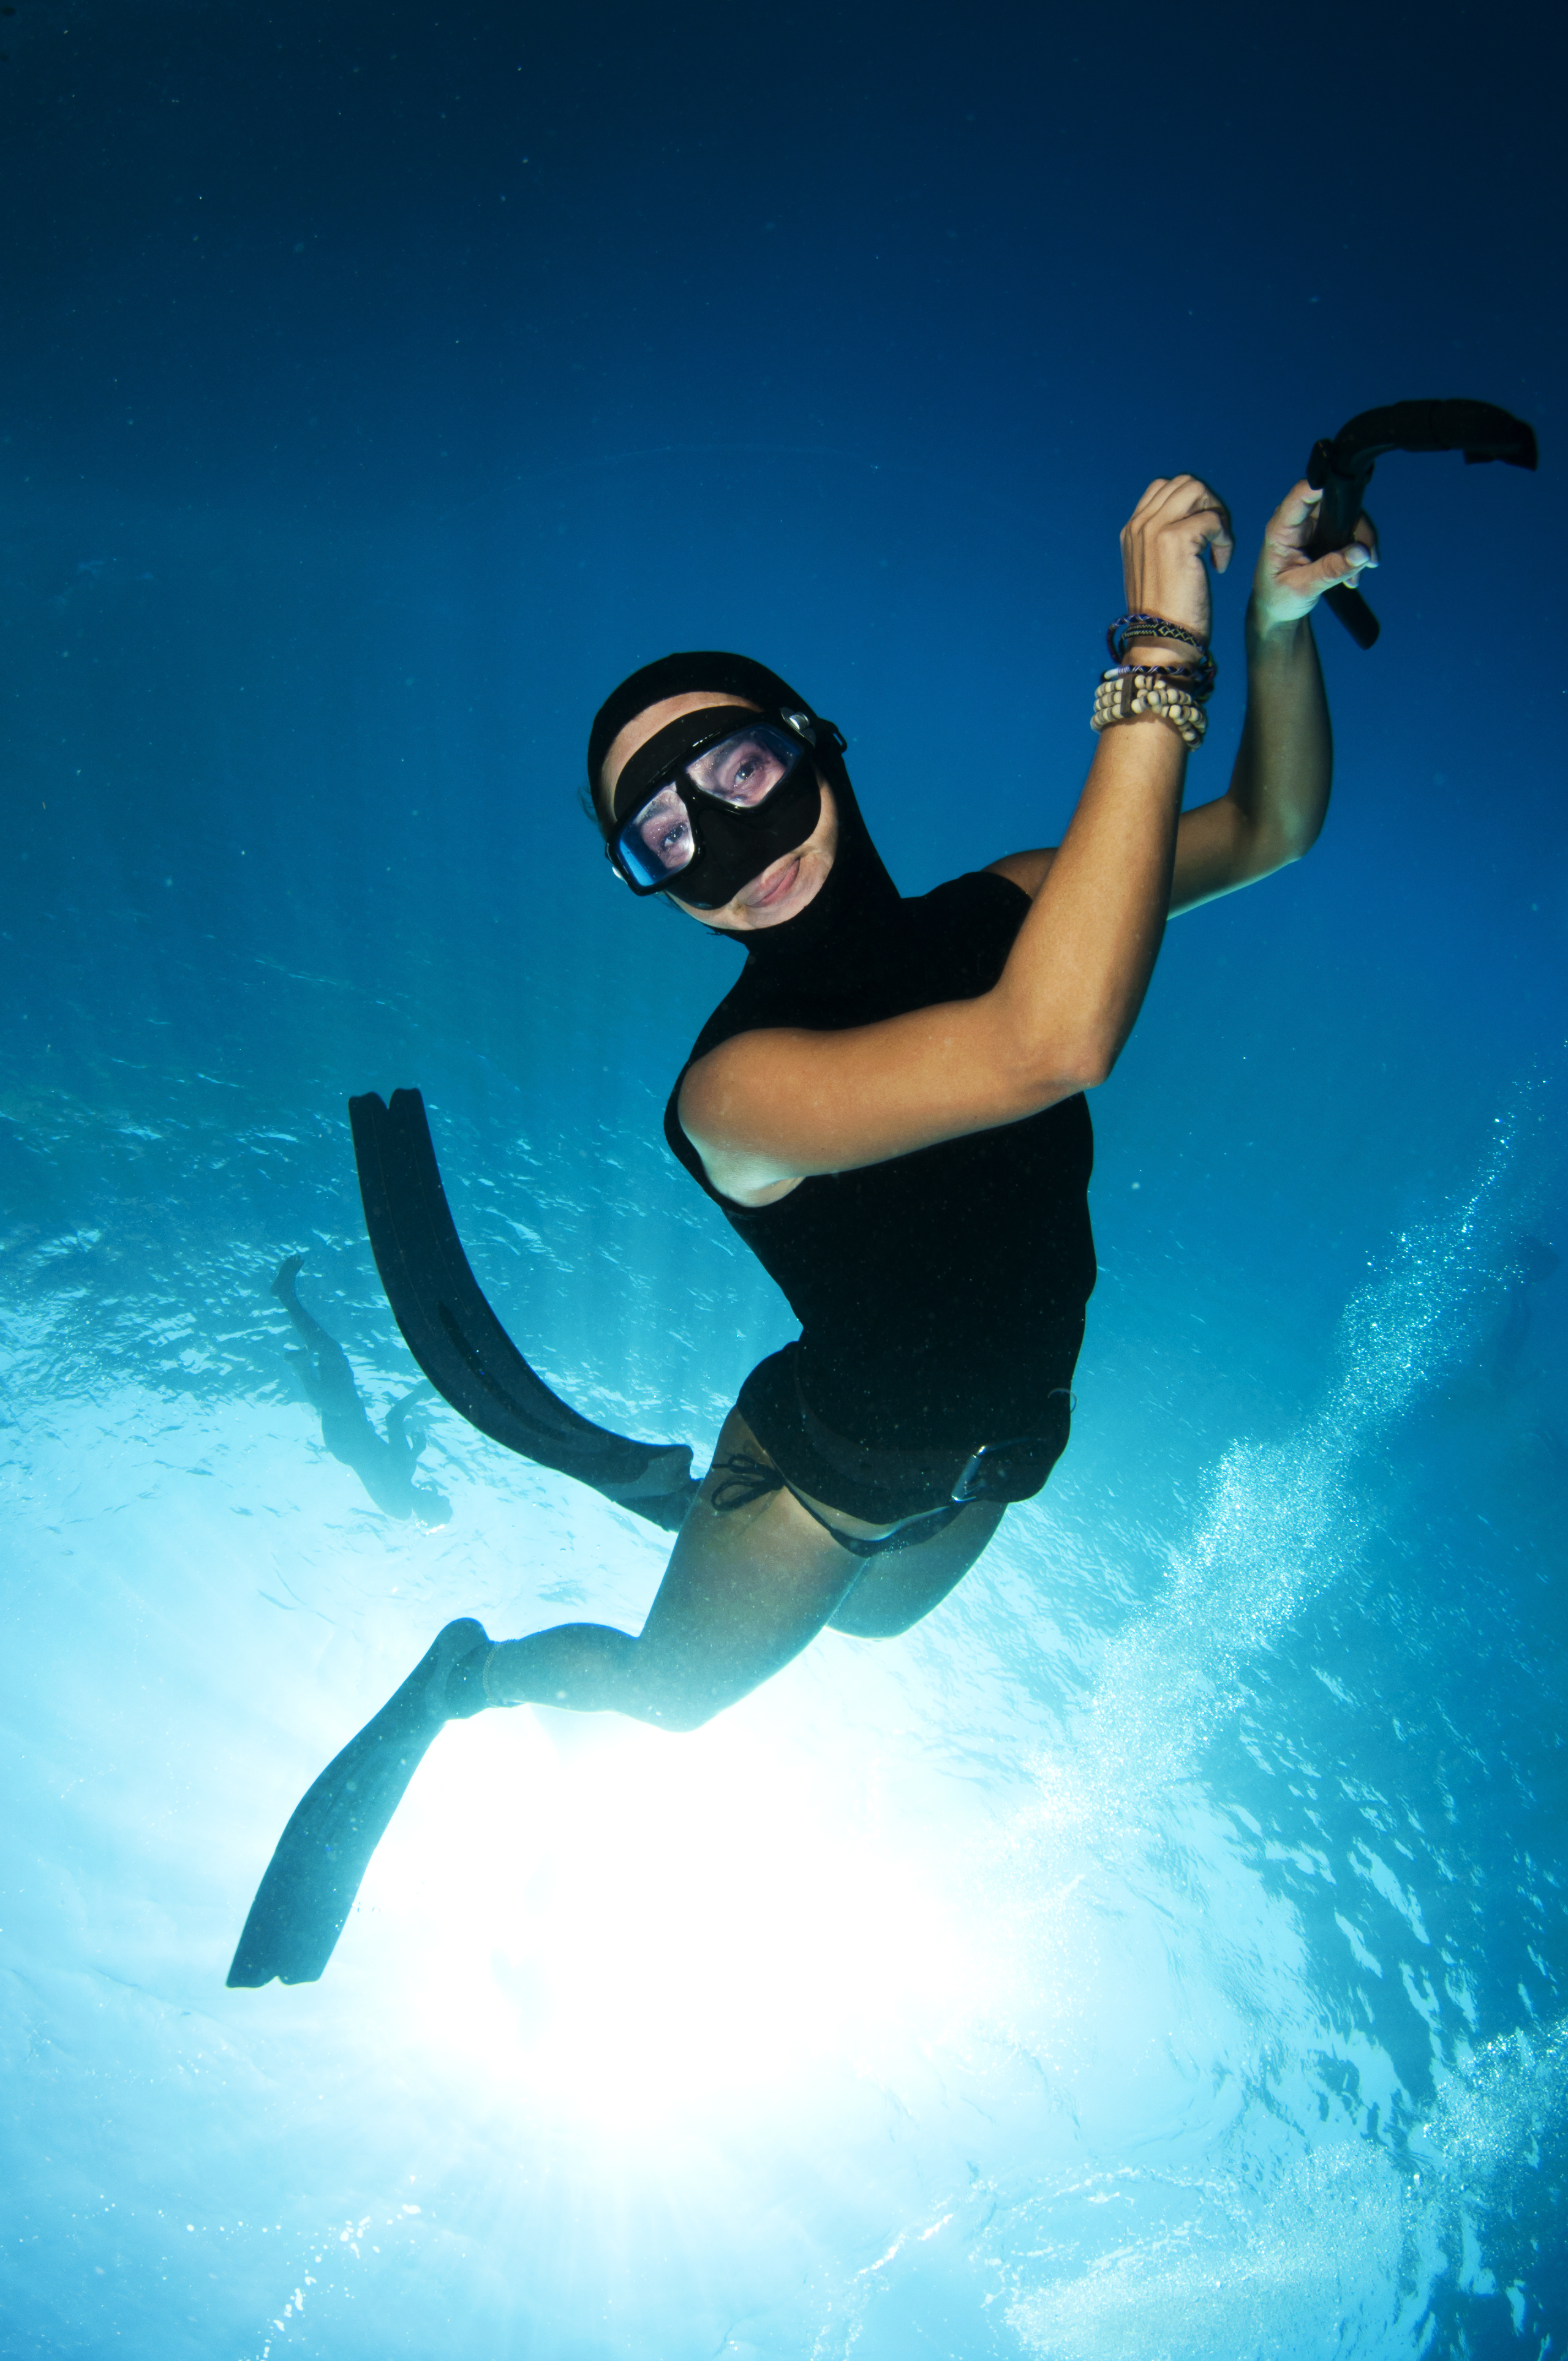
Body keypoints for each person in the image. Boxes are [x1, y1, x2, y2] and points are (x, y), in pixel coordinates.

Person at [228, 468, 1375, 1987]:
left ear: (816, 743)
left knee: (877, 1627)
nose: (722, 835)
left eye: (737, 767)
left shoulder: (1015, 906)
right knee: (671, 1698)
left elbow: (1275, 824)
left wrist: (1277, 623)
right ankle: (468, 1677)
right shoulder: (733, 1088)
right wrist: (1160, 654)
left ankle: (675, 1503)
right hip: (829, 1471)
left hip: (1001, 1449)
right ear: (660, 891)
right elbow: (1045, 1044)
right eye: (660, 829)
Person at [271, 1253, 450, 1527]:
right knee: (333, 1353)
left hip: (346, 1441)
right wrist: (413, 1452)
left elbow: (392, 1476)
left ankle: (303, 1368)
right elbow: (393, 1423)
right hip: (353, 1428)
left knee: (345, 1404)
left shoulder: (400, 1508)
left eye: (436, 1501)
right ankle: (286, 1296)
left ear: (427, 1511)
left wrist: (418, 1398)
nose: (434, 1493)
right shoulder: (407, 1465)